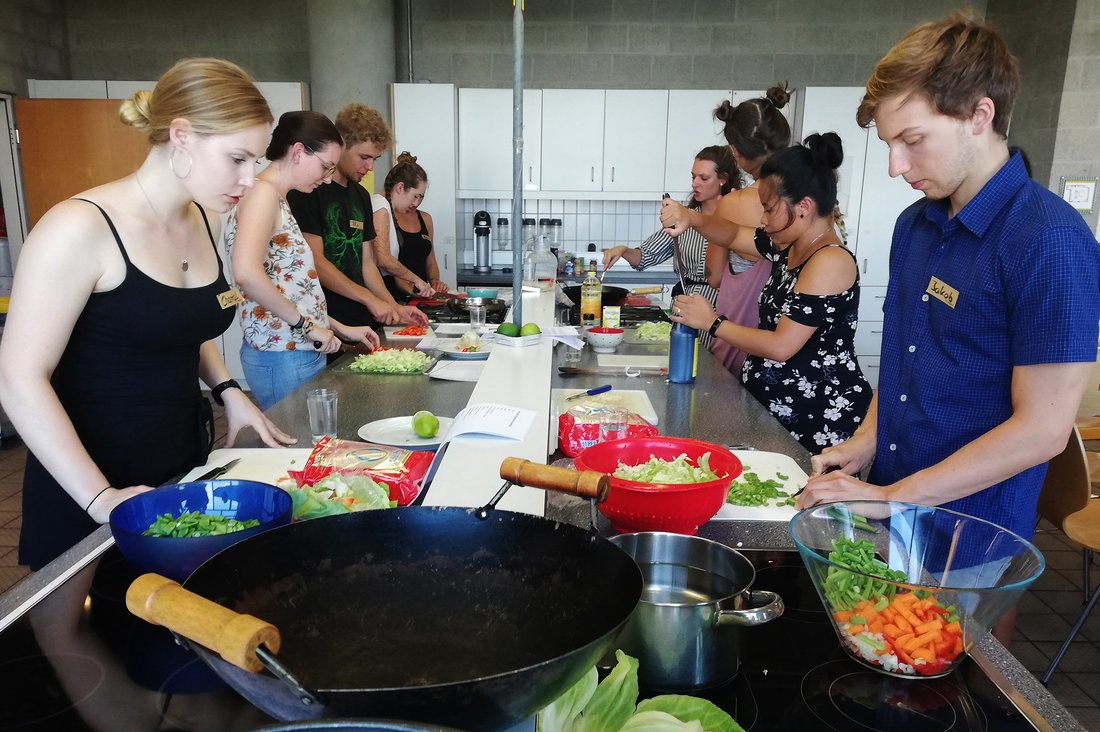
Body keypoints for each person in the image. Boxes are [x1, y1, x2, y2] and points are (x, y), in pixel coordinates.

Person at [796, 14, 1100, 643]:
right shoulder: (916, 226)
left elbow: (1042, 431)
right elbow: (907, 361)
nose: (895, 166)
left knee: (961, 680)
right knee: (888, 659)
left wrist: (893, 496)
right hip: (897, 510)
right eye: (888, 145)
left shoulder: (1049, 241)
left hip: (974, 533)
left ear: (979, 115)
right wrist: (866, 442)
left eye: (912, 140)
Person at [0, 58, 296, 571]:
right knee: (74, 634)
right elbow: (17, 378)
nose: (251, 181)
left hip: (180, 461)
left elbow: (177, 323)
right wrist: (100, 499)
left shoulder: (202, 216)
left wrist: (229, 392)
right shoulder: (78, 227)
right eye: (237, 159)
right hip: (88, 476)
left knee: (169, 624)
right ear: (180, 136)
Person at [664, 133, 873, 453]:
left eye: (769, 209)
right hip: (776, 410)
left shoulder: (829, 260)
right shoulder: (787, 247)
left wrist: (713, 322)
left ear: (804, 206)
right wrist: (690, 216)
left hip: (815, 419)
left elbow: (782, 345)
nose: (762, 219)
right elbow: (732, 233)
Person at [225, 111, 381, 410]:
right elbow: (246, 274)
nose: (325, 179)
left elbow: (290, 286)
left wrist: (338, 327)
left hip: (297, 347)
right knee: (302, 448)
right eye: (324, 166)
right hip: (284, 351)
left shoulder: (277, 198)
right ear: (298, 152)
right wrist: (308, 328)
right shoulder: (262, 195)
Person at [672, 86, 794, 375]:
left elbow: (715, 277)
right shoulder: (806, 203)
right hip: (789, 346)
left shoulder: (734, 204)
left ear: (735, 153)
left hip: (740, 334)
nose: (767, 217)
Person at [287, 103, 428, 330]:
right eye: (364, 157)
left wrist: (393, 307)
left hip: (361, 320)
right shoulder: (308, 191)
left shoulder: (361, 195)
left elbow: (367, 264)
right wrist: (370, 299)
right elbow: (316, 263)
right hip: (325, 321)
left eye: (375, 158)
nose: (370, 167)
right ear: (341, 143)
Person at [601, 145, 740, 347]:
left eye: (703, 178)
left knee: (715, 370)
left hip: (723, 310)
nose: (695, 184)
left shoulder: (737, 219)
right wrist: (622, 250)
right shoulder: (682, 217)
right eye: (693, 177)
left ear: (723, 179)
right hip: (684, 307)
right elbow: (645, 256)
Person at [372, 152, 451, 300]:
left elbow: (429, 259)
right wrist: (417, 283)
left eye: (421, 197)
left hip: (402, 297)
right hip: (389, 296)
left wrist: (430, 283)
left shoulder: (386, 208)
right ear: (400, 187)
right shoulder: (380, 207)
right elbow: (384, 262)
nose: (416, 203)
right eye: (415, 196)